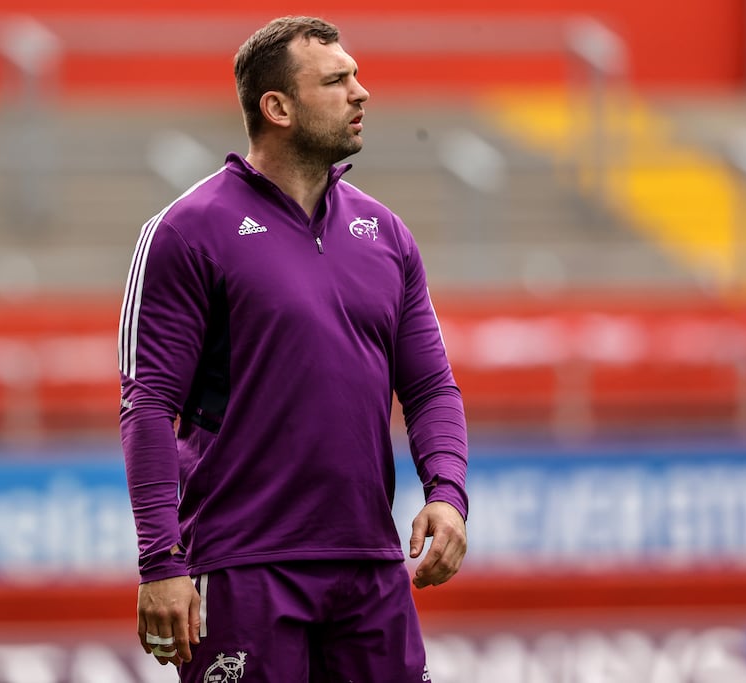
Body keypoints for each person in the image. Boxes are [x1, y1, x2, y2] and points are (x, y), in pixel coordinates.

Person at [117, 15, 468, 682]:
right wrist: (161, 562)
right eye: (337, 80)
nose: (361, 92)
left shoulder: (385, 234)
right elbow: (148, 405)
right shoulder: (188, 231)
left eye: (356, 76)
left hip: (369, 567)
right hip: (245, 566)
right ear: (276, 107)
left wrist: (447, 493)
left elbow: (430, 388)